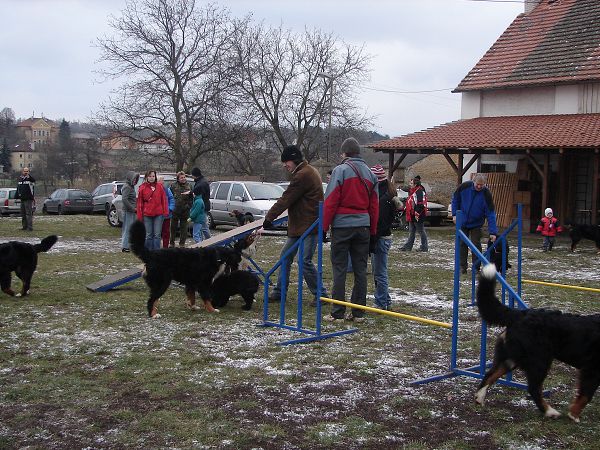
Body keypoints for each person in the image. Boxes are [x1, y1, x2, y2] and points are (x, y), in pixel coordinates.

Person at [322, 137, 379, 322]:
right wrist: (373, 232)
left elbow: (330, 201)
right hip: (363, 226)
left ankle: (337, 312)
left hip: (342, 227)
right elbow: (374, 207)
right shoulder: (371, 175)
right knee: (360, 270)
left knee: (339, 269)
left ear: (345, 153)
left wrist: (323, 227)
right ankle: (358, 313)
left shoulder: (340, 171)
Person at [263, 145, 326, 305]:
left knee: (304, 261)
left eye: (286, 161)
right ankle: (279, 291)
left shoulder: (303, 175)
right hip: (300, 225)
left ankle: (321, 295)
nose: (285, 165)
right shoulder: (306, 171)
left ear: (295, 159)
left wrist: (269, 218)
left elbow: (286, 198)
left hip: (309, 226)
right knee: (285, 257)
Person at [451, 173, 497, 274]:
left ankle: (476, 267)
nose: (479, 186)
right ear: (473, 181)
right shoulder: (464, 187)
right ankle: (462, 267)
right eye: (478, 184)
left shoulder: (486, 194)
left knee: (475, 244)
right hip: (462, 221)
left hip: (477, 223)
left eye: (482, 185)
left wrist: (493, 232)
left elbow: (490, 213)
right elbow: (455, 200)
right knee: (462, 244)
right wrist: (454, 214)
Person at [369, 165, 401, 311]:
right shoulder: (388, 193)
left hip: (381, 238)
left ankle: (381, 303)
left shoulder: (382, 198)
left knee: (380, 273)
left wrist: (373, 239)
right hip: (384, 237)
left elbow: (380, 222)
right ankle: (386, 300)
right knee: (378, 271)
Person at [136, 170, 168, 250]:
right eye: (150, 176)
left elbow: (164, 199)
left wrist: (165, 211)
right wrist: (140, 215)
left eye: (153, 176)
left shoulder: (159, 186)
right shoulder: (142, 187)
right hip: (147, 214)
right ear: (147, 177)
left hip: (158, 214)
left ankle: (156, 252)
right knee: (148, 234)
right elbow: (140, 203)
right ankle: (149, 252)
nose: (151, 178)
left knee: (157, 234)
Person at [400, 175, 428, 252]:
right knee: (411, 231)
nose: (410, 185)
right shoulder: (413, 191)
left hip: (418, 215)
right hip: (412, 214)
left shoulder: (419, 191)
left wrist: (417, 213)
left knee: (421, 231)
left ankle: (424, 247)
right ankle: (408, 246)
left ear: (415, 184)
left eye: (411, 183)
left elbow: (420, 204)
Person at [169, 171, 193, 248]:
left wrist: (189, 206)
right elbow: (170, 197)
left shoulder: (189, 185)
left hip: (185, 210)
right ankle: (171, 243)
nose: (183, 179)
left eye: (184, 177)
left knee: (184, 229)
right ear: (178, 179)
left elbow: (192, 198)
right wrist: (171, 207)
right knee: (173, 228)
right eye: (181, 178)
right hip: (175, 210)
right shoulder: (173, 185)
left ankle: (182, 244)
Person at [120, 170, 139, 252]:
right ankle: (125, 246)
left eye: (136, 179)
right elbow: (124, 199)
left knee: (130, 228)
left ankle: (128, 245)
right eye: (134, 179)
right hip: (129, 211)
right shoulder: (127, 187)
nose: (135, 181)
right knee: (128, 228)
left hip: (131, 211)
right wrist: (132, 208)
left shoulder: (131, 186)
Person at [191, 167, 211, 240]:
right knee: (204, 226)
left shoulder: (201, 183)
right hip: (204, 206)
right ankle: (208, 241)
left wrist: (191, 192)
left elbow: (197, 190)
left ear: (195, 175)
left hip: (202, 207)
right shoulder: (202, 181)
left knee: (202, 227)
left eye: (192, 175)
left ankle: (207, 242)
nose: (192, 176)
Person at [158, 176, 175, 248]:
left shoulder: (167, 190)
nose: (163, 182)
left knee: (166, 232)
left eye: (163, 181)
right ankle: (157, 246)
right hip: (158, 214)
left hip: (167, 215)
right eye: (161, 180)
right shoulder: (155, 190)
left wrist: (170, 209)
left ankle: (165, 247)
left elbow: (172, 199)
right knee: (157, 232)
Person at [16, 166, 35, 231]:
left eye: (27, 171)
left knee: (28, 214)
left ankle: (30, 227)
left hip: (28, 199)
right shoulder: (20, 179)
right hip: (22, 198)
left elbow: (33, 180)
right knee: (23, 214)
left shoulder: (30, 179)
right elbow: (18, 188)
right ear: (22, 171)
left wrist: (28, 177)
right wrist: (17, 195)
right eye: (25, 171)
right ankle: (24, 226)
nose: (26, 172)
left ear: (28, 172)